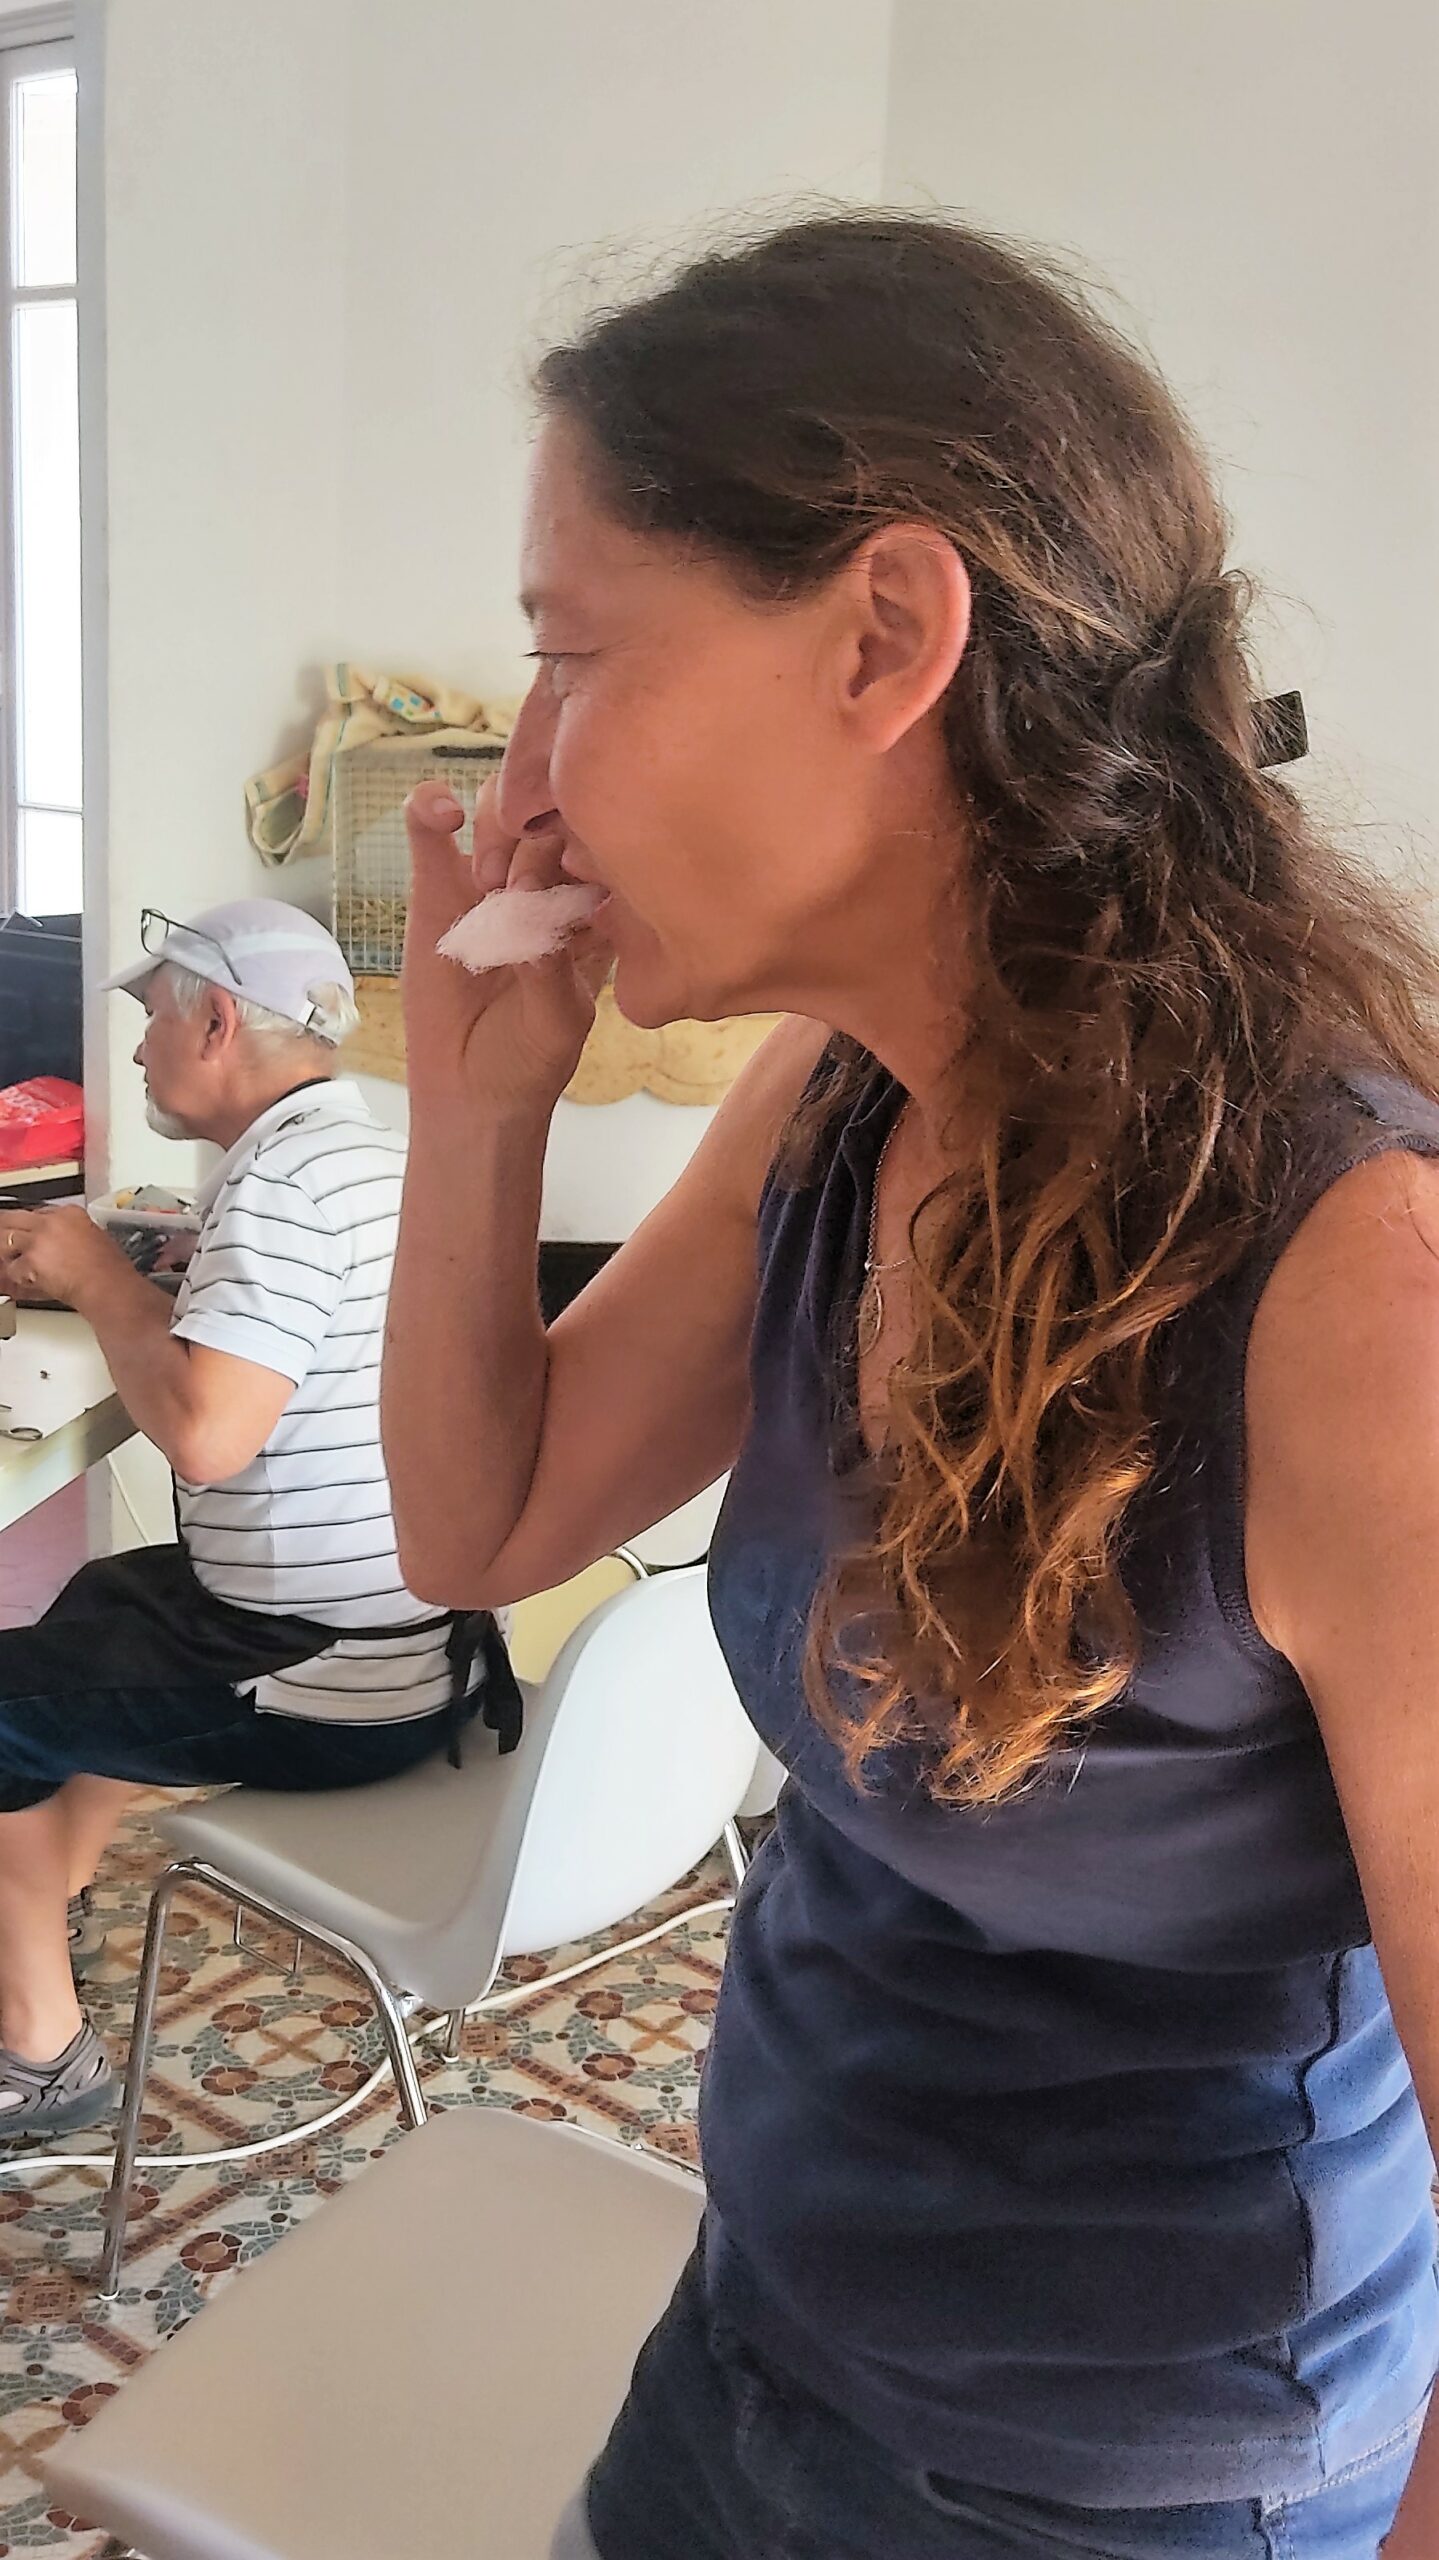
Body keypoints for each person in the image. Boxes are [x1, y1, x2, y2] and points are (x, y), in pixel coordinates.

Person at [384, 214, 1439, 2560]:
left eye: (569, 656)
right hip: (762, 2326)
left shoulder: (1353, 1282)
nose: (521, 786)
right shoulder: (838, 1094)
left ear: (881, 633)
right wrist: (477, 1112)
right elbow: (483, 1523)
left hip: (1120, 2485)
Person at [0, 900, 510, 2138]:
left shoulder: (284, 1186)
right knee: (108, 1599)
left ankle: (40, 2052)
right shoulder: (365, 1151)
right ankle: (47, 1888)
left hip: (327, 1687)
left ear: (217, 1020)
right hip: (423, 1647)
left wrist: (99, 1278)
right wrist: (176, 1279)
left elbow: (206, 1436)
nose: (136, 1049)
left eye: (150, 1019)